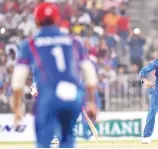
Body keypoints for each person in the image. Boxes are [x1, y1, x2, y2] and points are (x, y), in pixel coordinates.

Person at [11, 2, 98, 148]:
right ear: (57, 19)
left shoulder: (30, 43)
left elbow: (18, 79)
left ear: (37, 20)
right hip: (72, 96)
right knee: (67, 139)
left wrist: (16, 106)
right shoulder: (74, 41)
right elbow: (89, 72)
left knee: (44, 143)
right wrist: (91, 101)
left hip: (48, 97)